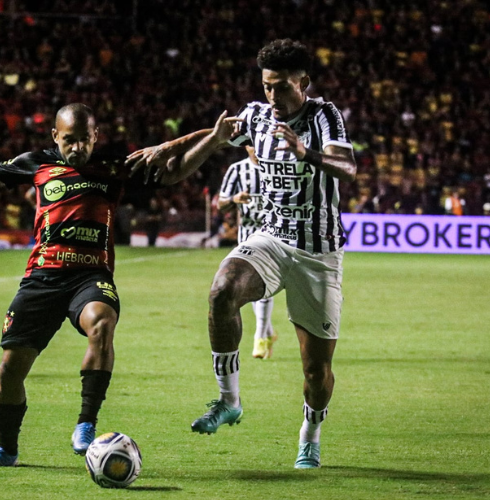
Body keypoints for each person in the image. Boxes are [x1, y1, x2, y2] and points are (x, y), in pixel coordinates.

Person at [0, 103, 212, 468]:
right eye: (69, 140)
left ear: (95, 136)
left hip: (90, 275)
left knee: (102, 322)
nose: (77, 147)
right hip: (43, 277)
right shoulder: (38, 163)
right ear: (55, 136)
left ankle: (85, 423)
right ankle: (7, 449)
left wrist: (216, 139)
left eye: (84, 139)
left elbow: (173, 172)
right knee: (9, 371)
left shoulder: (114, 166)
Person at [136, 39, 357, 468]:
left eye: (281, 87)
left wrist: (304, 152)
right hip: (271, 239)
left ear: (304, 82)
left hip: (318, 252)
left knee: (316, 372)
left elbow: (348, 168)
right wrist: (169, 147)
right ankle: (228, 400)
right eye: (267, 86)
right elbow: (218, 133)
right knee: (221, 292)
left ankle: (309, 433)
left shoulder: (324, 116)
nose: (272, 96)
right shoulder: (257, 113)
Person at [217, 147, 277, 359]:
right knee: (252, 287)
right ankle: (268, 332)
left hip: (273, 235)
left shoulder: (277, 166)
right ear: (247, 146)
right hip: (247, 237)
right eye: (252, 144)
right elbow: (220, 203)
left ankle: (260, 337)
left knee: (264, 285)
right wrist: (234, 199)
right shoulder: (238, 170)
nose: (258, 148)